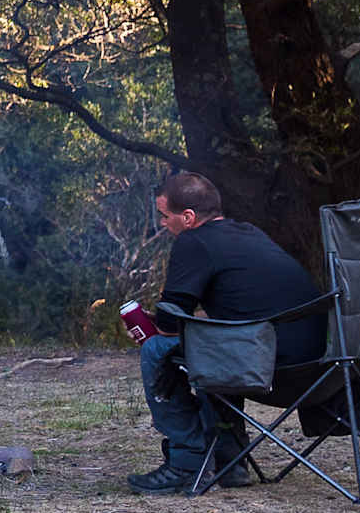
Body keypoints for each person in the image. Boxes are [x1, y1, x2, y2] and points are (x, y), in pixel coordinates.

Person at [123, 171, 324, 495]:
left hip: (269, 369)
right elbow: (242, 309)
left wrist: (155, 328)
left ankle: (186, 463)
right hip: (316, 365)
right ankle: (229, 461)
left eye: (164, 216)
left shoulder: (193, 241)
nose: (162, 224)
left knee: (156, 350)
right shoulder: (249, 233)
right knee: (205, 346)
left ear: (187, 217)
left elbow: (170, 325)